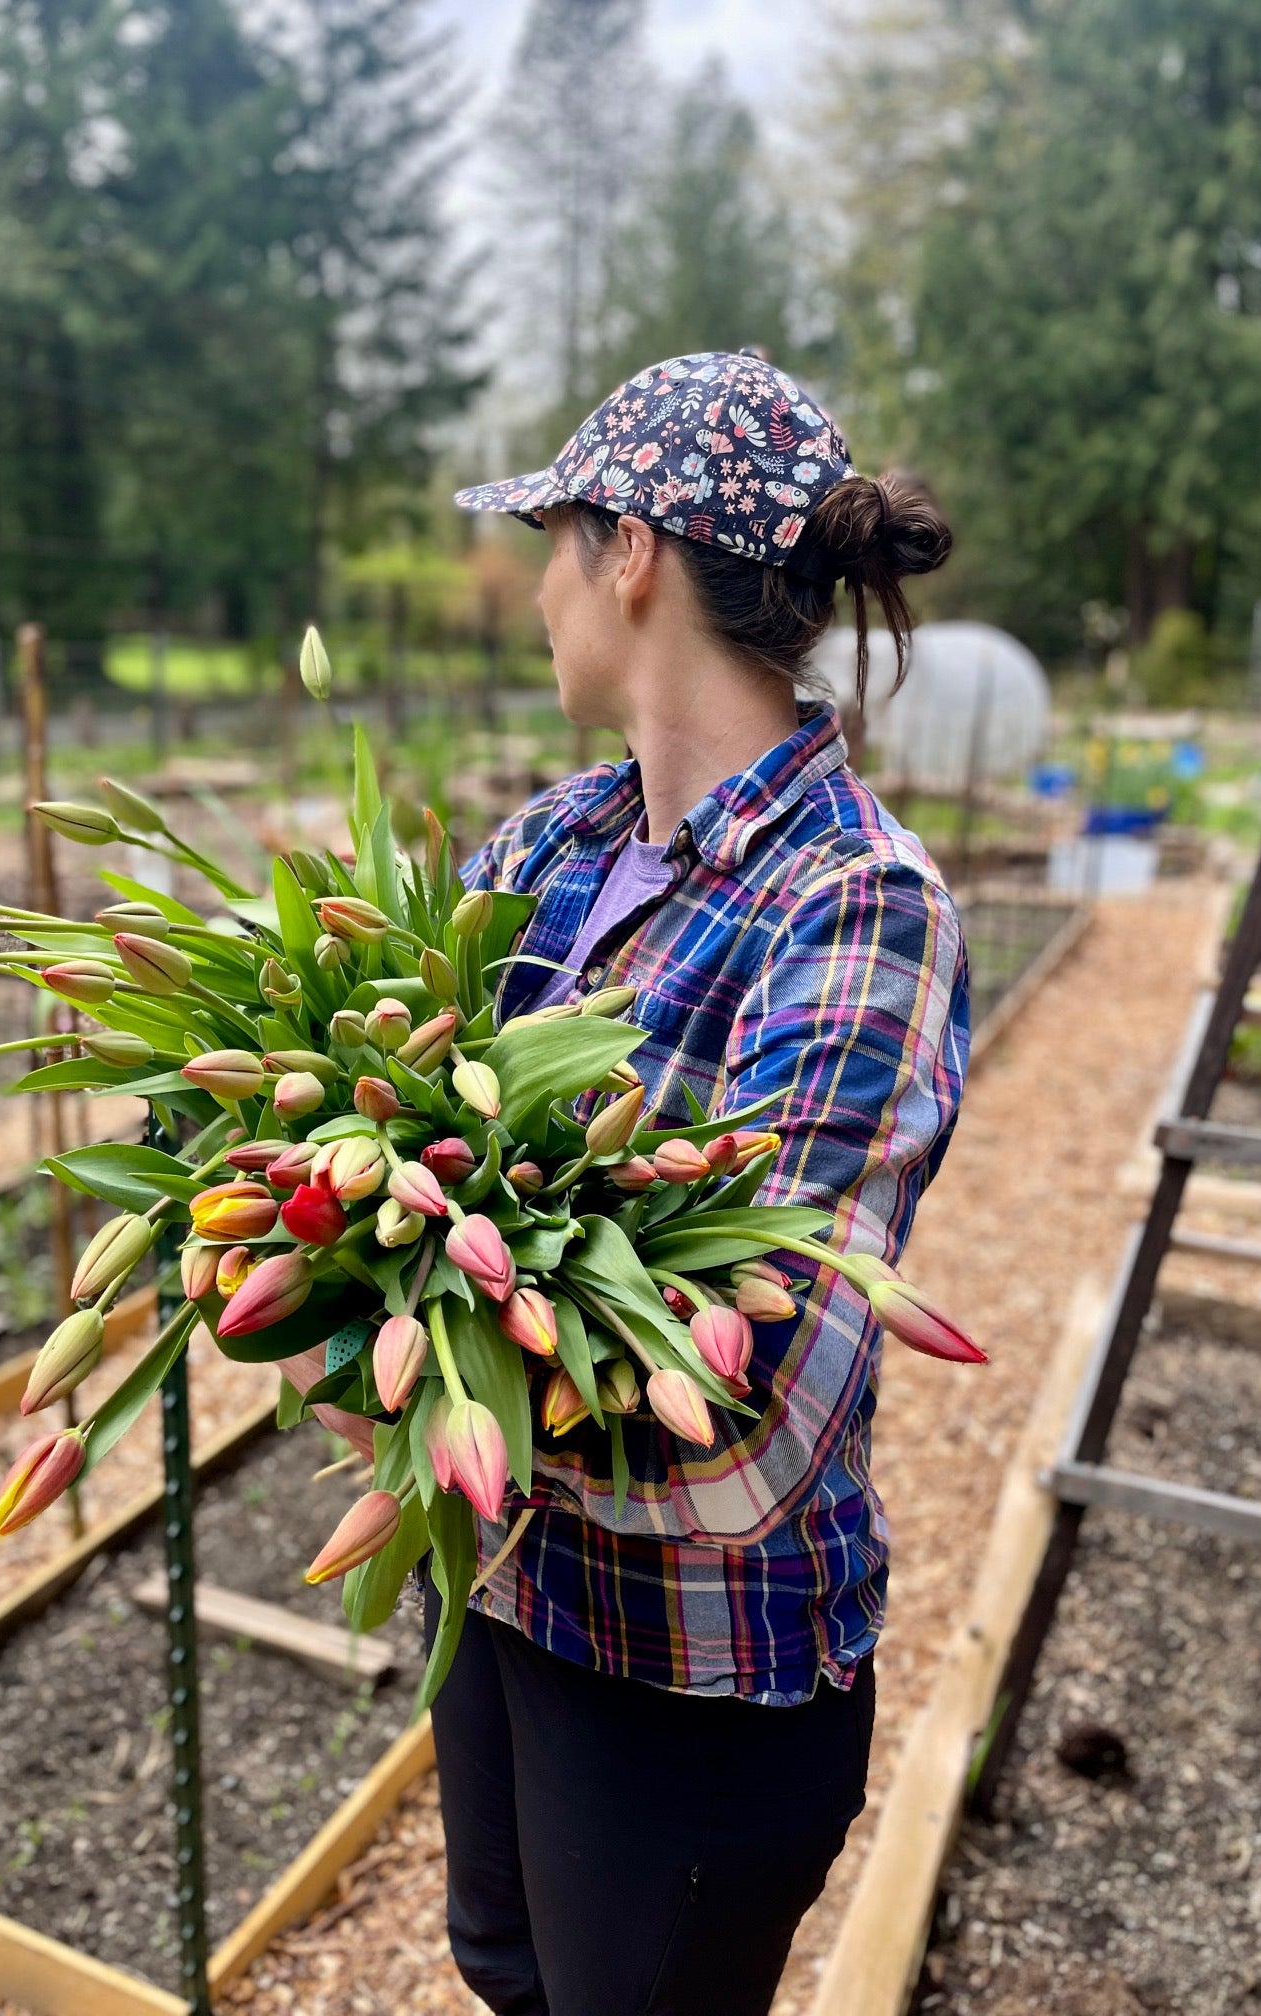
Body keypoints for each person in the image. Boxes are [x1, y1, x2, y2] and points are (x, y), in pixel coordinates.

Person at [422, 351, 970, 2016]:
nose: (534, 582)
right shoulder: (548, 848)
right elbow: (397, 1149)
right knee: (500, 1964)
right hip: (510, 1588)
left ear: (636, 553)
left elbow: (761, 1425)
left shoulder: (856, 906)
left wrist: (441, 1382)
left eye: (557, 535)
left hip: (696, 1669)